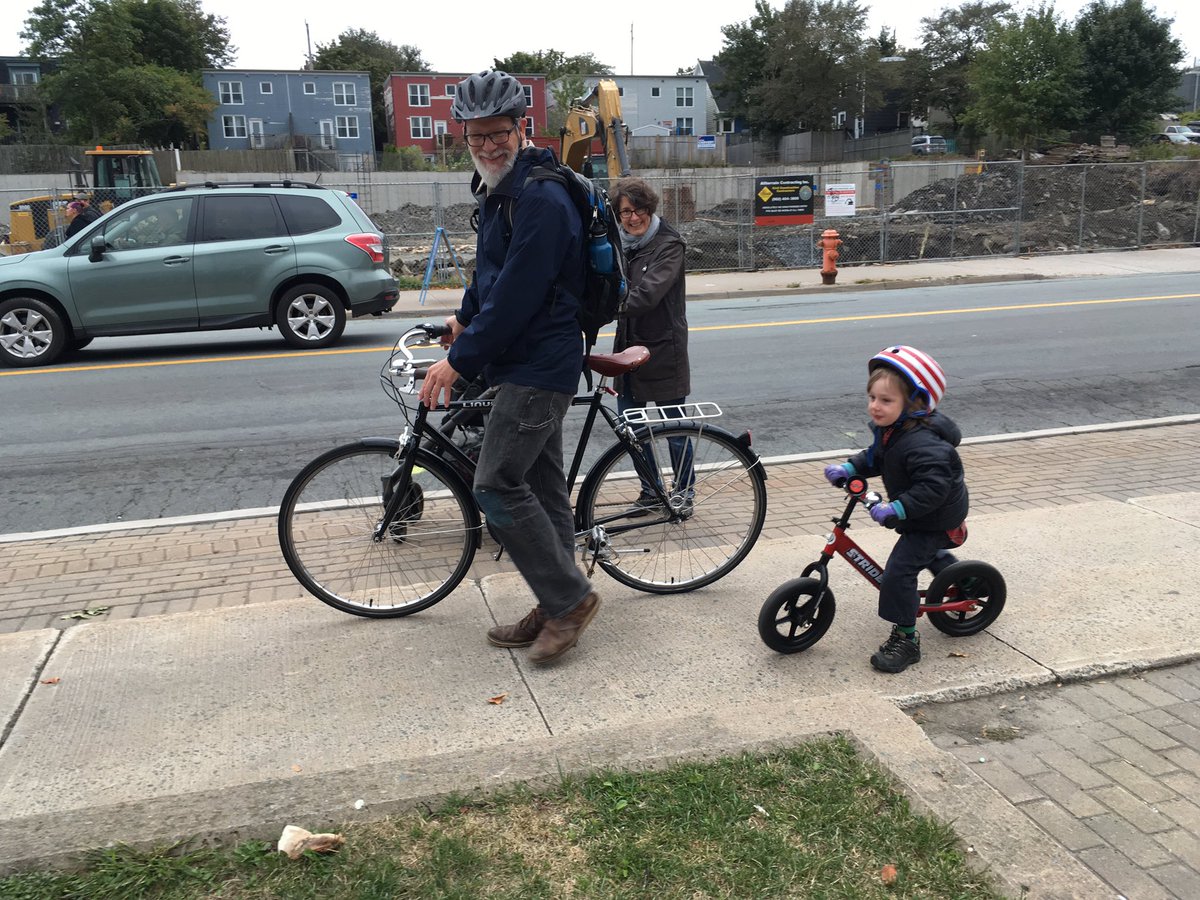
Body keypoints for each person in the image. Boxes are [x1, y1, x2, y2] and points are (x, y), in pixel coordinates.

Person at [419, 68, 599, 665]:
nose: (488, 147)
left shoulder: (542, 197)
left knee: (494, 484)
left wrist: (457, 360)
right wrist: (463, 318)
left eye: (497, 135)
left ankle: (569, 599)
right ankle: (557, 601)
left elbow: (520, 294)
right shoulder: (501, 189)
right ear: (465, 139)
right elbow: (490, 274)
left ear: (520, 127)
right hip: (521, 361)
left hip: (539, 366)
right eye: (476, 138)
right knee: (544, 489)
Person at [823, 346, 969, 674]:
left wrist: (899, 509)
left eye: (885, 400)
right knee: (924, 555)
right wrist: (850, 468)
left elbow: (933, 489)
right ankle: (961, 578)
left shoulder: (927, 445)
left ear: (914, 403)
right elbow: (877, 456)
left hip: (934, 517)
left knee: (899, 572)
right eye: (872, 397)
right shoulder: (894, 431)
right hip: (920, 513)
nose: (875, 406)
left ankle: (906, 639)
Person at [610, 176, 691, 513]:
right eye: (625, 211)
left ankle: (684, 494)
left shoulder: (669, 245)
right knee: (631, 428)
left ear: (650, 208)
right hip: (628, 351)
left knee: (674, 429)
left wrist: (603, 304)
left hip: (663, 350)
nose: (633, 217)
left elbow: (647, 295)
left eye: (639, 209)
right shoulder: (619, 245)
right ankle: (651, 491)